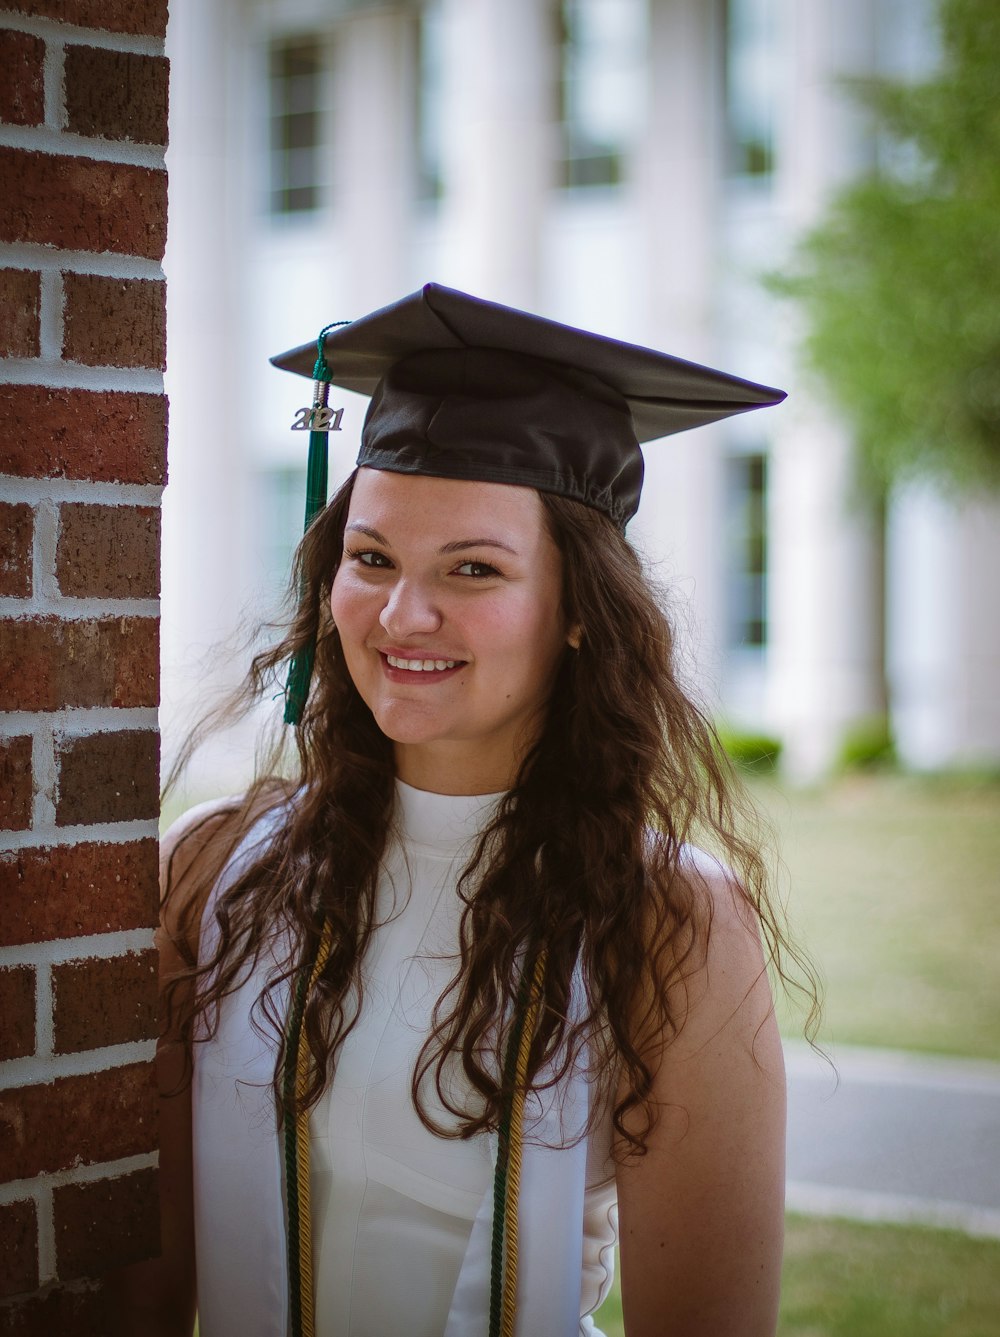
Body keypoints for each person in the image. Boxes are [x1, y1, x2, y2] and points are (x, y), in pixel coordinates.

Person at [114, 285, 814, 1337]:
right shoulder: (217, 871)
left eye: (473, 568)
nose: (402, 614)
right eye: (372, 557)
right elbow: (142, 1292)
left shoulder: (664, 920)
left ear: (582, 608)